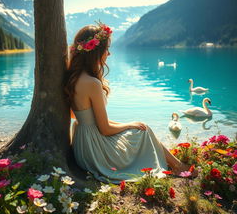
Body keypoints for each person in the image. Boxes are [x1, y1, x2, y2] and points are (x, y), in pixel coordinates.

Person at [65, 22, 193, 183]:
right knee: (143, 130)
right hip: (96, 149)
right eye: (106, 49)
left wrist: (128, 124)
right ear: (95, 52)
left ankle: (177, 165)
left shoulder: (74, 77)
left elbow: (81, 117)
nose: (109, 54)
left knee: (139, 128)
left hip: (83, 145)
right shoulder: (92, 83)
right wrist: (129, 125)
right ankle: (178, 166)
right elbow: (105, 129)